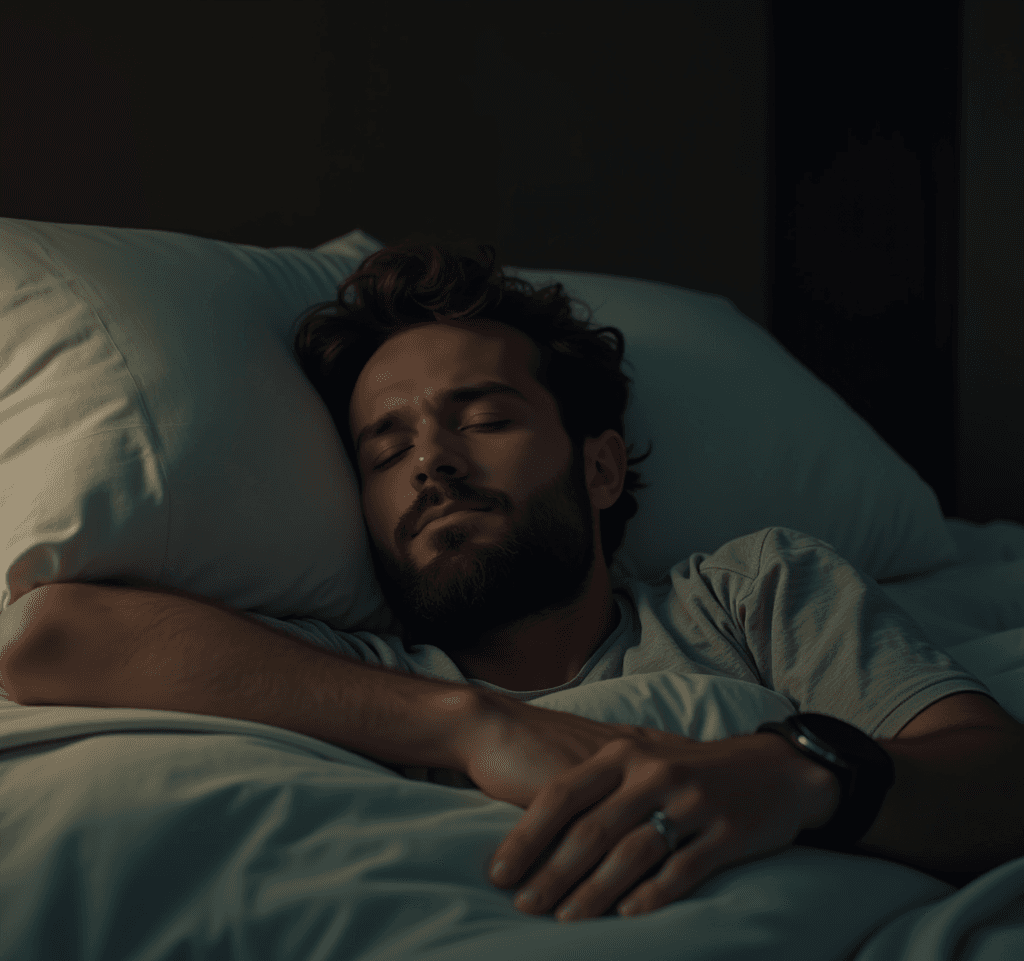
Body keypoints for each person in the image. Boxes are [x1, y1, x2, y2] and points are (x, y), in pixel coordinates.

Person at [4, 239, 1023, 924]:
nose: (431, 464)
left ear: (599, 466)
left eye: (483, 419)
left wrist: (795, 779)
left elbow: (997, 783)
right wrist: (474, 727)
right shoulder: (358, 676)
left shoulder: (751, 592)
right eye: (384, 447)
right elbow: (49, 633)